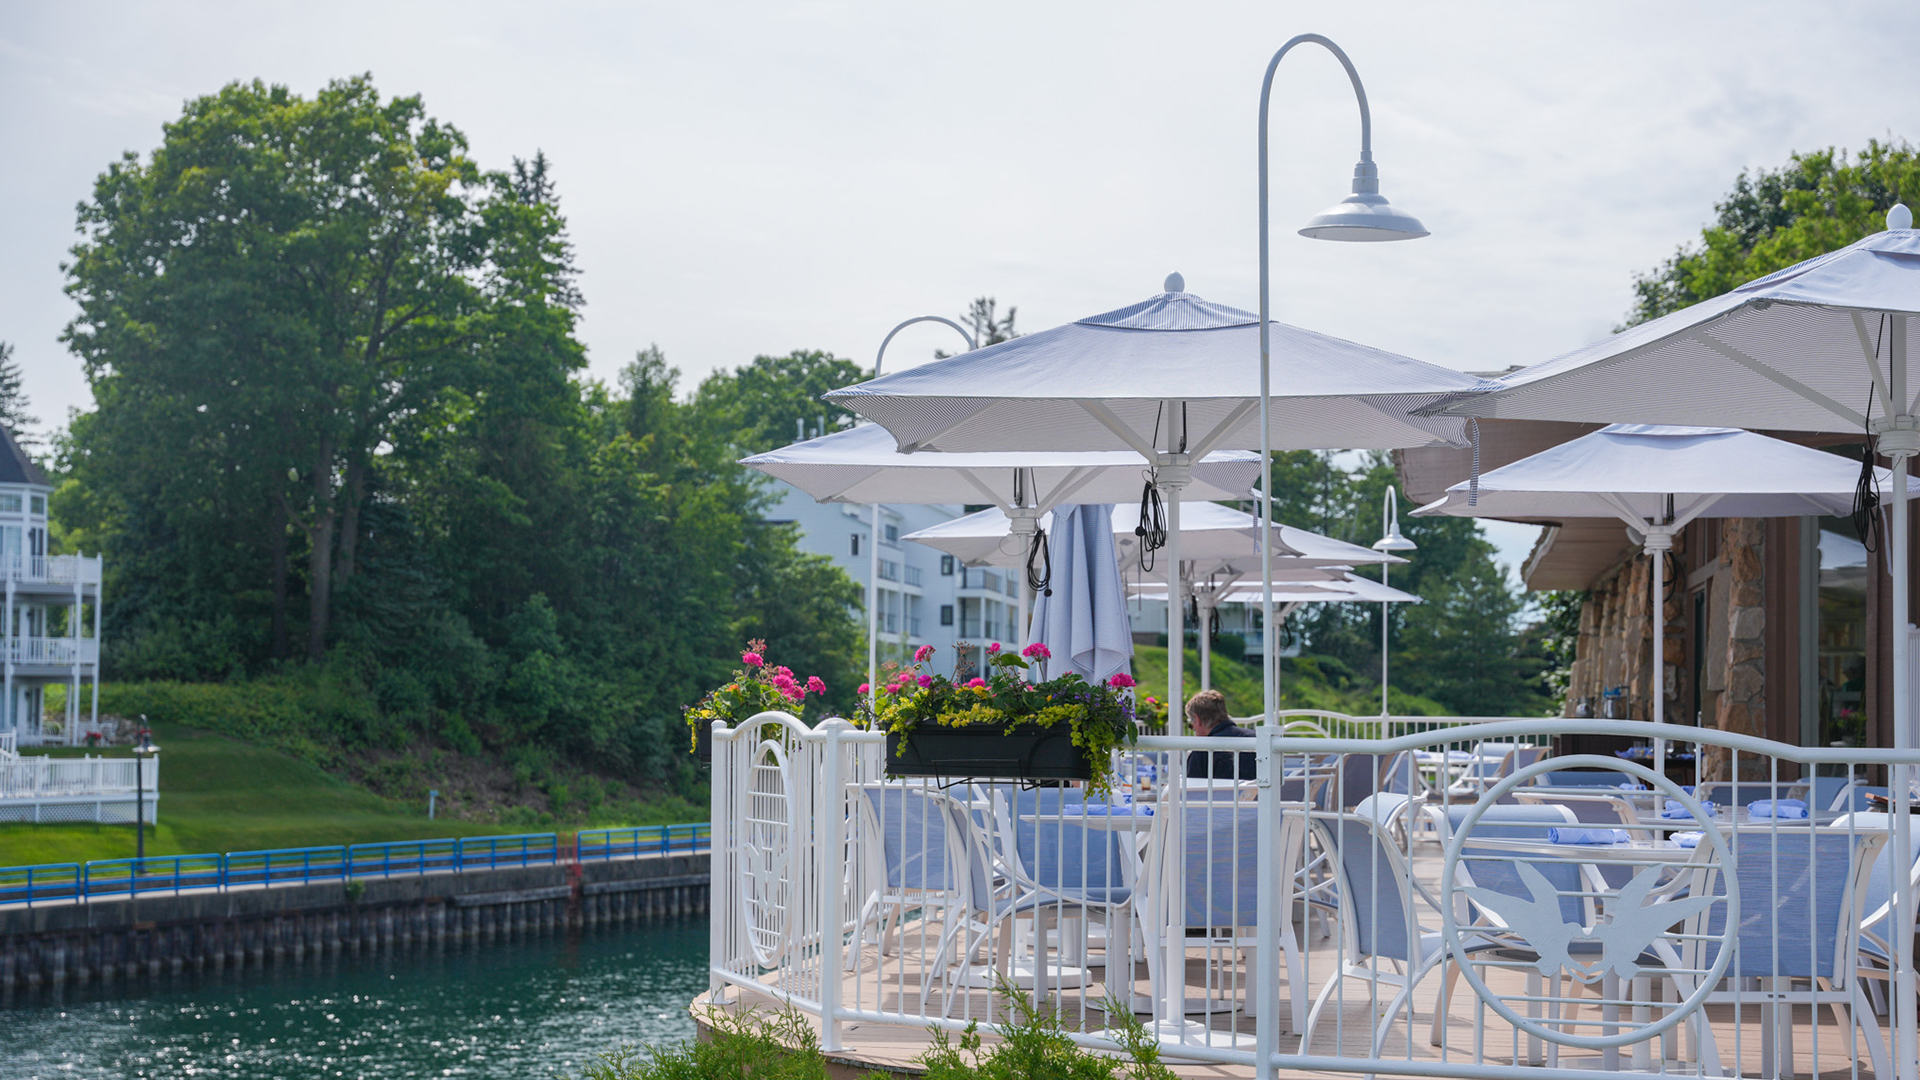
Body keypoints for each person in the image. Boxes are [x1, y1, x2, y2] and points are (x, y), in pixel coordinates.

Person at [1184, 688, 1256, 780]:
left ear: (1197, 720)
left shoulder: (1201, 752)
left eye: (1191, 725)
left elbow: (1192, 791)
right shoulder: (1255, 739)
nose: (1193, 728)